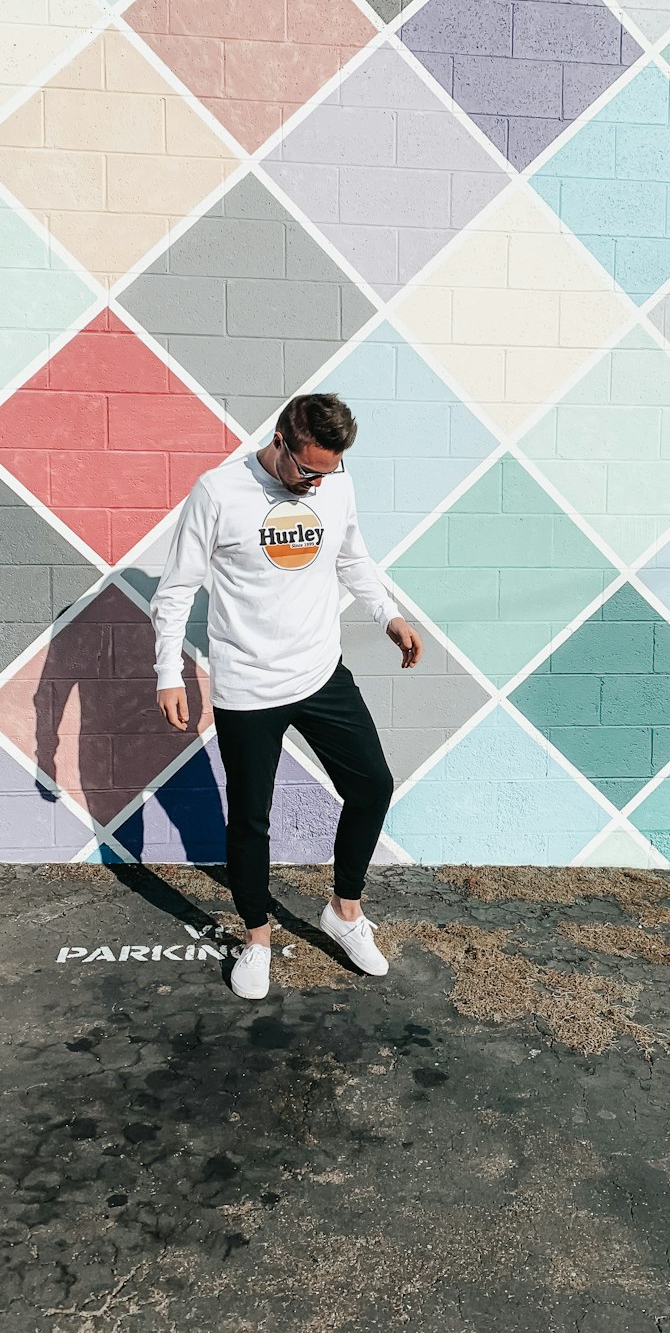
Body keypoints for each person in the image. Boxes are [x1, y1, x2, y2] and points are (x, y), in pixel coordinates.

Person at [150, 393, 423, 1000]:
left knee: (372, 785)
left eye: (329, 472)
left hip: (321, 673)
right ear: (280, 440)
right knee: (250, 819)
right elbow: (176, 590)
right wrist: (169, 671)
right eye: (307, 470)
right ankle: (256, 940)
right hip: (248, 685)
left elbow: (354, 560)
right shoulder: (219, 493)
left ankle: (344, 912)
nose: (316, 483)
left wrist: (388, 615)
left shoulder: (335, 485)